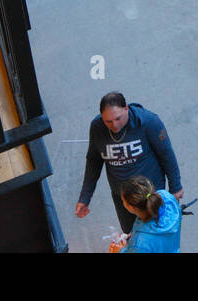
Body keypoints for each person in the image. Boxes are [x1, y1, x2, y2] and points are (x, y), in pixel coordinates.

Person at [76, 92, 184, 235]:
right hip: (123, 197)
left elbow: (166, 153)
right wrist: (85, 197)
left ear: (126, 109)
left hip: (150, 194)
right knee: (130, 232)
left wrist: (175, 186)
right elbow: (94, 161)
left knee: (157, 232)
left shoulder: (148, 121)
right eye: (108, 121)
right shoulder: (97, 127)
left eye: (118, 118)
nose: (114, 125)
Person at [109, 176, 183, 254]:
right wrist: (135, 233)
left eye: (123, 200)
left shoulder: (140, 244)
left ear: (131, 207)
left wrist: (120, 251)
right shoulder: (167, 197)